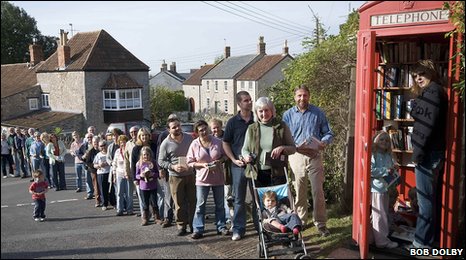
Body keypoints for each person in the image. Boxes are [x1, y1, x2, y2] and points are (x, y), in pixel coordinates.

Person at [282, 84, 334, 237]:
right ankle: (301, 221)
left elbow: (328, 132)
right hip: (296, 155)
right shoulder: (288, 115)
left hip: (315, 155)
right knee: (299, 190)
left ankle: (321, 224)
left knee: (318, 191)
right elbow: (284, 136)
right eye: (299, 95)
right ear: (294, 97)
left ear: (309, 96)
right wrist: (294, 146)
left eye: (304, 95)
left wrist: (324, 142)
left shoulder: (318, 113)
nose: (302, 98)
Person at [408, 59, 448, 249]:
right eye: (415, 76)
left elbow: (426, 126)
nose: (418, 78)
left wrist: (417, 155)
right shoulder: (434, 92)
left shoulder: (432, 92)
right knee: (429, 199)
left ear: (430, 72)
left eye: (421, 74)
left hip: (427, 154)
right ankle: (430, 239)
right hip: (433, 152)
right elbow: (421, 113)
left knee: (424, 201)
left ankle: (421, 242)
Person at [187, 120, 229, 239]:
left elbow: (226, 155)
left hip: (218, 178)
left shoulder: (218, 142)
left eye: (205, 129)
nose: (204, 132)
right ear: (197, 132)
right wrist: (202, 165)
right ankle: (198, 229)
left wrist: (219, 161)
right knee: (200, 205)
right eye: (201, 130)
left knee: (220, 205)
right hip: (202, 179)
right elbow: (189, 162)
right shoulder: (194, 144)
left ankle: (221, 227)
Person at [242, 97, 296, 187]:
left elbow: (293, 149)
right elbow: (245, 149)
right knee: (258, 201)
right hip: (256, 174)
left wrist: (282, 148)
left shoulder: (281, 126)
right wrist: (246, 156)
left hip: (277, 174)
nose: (264, 114)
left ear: (272, 111)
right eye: (261, 111)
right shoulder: (251, 128)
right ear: (256, 113)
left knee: (276, 201)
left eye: (266, 110)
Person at [222, 91, 255, 241]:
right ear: (239, 104)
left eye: (250, 100)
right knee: (239, 199)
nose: (249, 102)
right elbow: (225, 143)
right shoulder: (232, 122)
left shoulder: (257, 118)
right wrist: (233, 160)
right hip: (238, 166)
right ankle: (238, 229)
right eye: (246, 100)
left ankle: (260, 227)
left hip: (256, 166)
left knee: (257, 198)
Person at [158, 117, 195, 236]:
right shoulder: (165, 143)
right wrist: (172, 167)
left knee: (192, 201)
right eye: (174, 127)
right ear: (169, 129)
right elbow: (160, 161)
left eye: (179, 125)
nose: (177, 128)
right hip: (175, 177)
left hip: (190, 175)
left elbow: (195, 152)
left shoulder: (189, 138)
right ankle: (181, 225)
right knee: (179, 203)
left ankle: (193, 224)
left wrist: (192, 164)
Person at [370, 131, 399, 249]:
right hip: (377, 188)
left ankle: (380, 236)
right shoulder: (374, 154)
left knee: (384, 213)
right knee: (379, 214)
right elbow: (370, 170)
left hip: (386, 187)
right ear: (376, 141)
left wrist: (394, 168)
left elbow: (391, 169)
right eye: (381, 139)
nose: (384, 142)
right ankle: (382, 242)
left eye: (387, 140)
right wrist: (385, 171)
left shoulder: (388, 155)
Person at [131, 127, 161, 224]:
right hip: (142, 181)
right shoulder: (136, 149)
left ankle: (157, 216)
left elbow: (157, 160)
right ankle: (145, 217)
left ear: (149, 135)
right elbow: (133, 164)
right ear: (139, 136)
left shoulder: (153, 146)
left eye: (146, 135)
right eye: (142, 135)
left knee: (155, 199)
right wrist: (136, 178)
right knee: (144, 200)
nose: (144, 137)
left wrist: (156, 174)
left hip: (153, 181)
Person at [210, 118, 234, 228]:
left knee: (227, 194)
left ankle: (228, 217)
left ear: (221, 126)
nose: (216, 130)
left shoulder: (227, 137)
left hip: (226, 170)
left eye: (217, 127)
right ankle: (221, 217)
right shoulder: (210, 139)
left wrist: (222, 159)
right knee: (218, 197)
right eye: (213, 128)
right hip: (214, 172)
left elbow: (230, 153)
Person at [156, 114, 178, 228]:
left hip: (180, 171)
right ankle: (168, 218)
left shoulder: (182, 135)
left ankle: (180, 217)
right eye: (171, 121)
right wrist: (160, 169)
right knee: (168, 195)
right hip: (167, 170)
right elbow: (159, 154)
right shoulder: (163, 136)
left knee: (179, 196)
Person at [135, 146, 160, 226]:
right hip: (143, 187)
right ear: (141, 155)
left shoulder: (153, 162)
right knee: (145, 204)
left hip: (153, 186)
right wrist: (141, 176)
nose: (146, 156)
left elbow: (158, 173)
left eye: (147, 154)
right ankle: (145, 218)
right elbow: (136, 175)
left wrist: (153, 174)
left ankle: (157, 218)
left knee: (154, 203)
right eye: (144, 155)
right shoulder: (139, 163)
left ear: (150, 155)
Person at [111, 135, 133, 216]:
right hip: (119, 174)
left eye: (124, 142)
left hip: (128, 174)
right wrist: (114, 176)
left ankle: (129, 209)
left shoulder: (130, 150)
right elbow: (114, 164)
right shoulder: (117, 152)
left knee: (129, 193)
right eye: (121, 142)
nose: (122, 144)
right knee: (119, 193)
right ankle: (119, 209)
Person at [93, 140, 111, 211]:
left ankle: (113, 203)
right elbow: (94, 165)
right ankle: (104, 204)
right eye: (101, 146)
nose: (103, 147)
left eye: (104, 145)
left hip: (109, 172)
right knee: (103, 190)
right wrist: (99, 165)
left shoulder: (109, 153)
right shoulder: (98, 155)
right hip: (101, 173)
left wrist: (107, 163)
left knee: (111, 189)